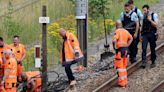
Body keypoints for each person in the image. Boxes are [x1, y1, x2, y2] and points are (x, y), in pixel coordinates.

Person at [113, 20, 133, 87]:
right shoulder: (125, 31)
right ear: (121, 25)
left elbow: (114, 40)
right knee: (124, 67)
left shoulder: (117, 31)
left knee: (120, 67)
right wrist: (127, 45)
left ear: (116, 25)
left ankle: (121, 83)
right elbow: (131, 38)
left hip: (119, 51)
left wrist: (114, 47)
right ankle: (125, 81)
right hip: (126, 51)